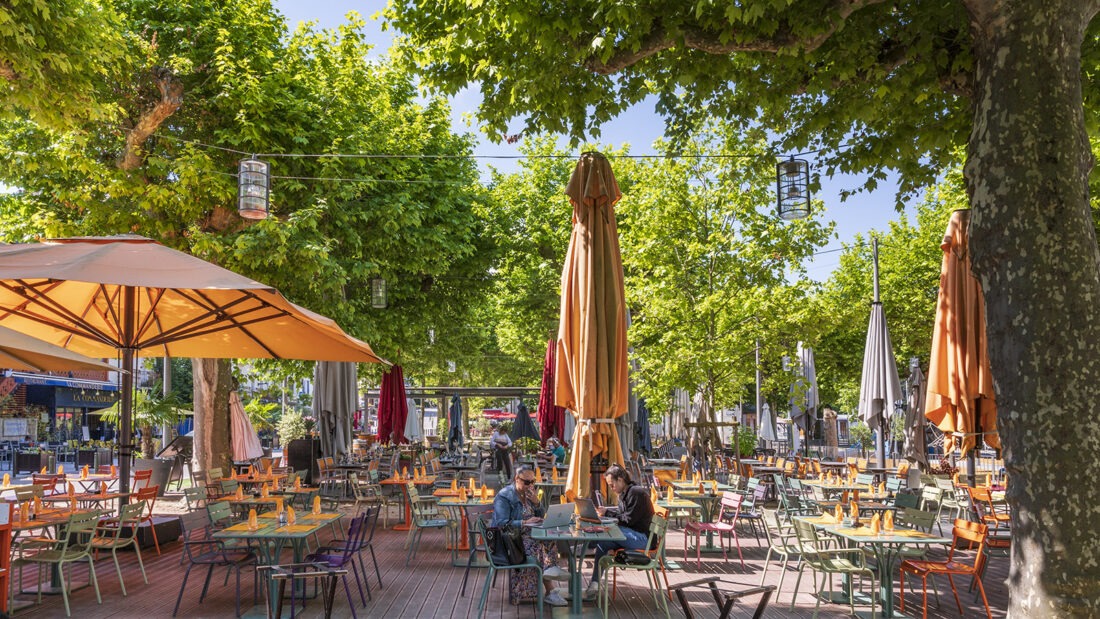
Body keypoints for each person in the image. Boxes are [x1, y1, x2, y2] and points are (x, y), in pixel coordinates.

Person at [491, 465, 569, 607]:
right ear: (516, 478)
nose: (531, 485)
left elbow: (541, 515)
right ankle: (550, 586)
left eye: (533, 482)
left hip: (528, 535)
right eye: (527, 482)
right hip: (510, 541)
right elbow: (501, 524)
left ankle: (550, 571)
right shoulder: (504, 496)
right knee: (538, 546)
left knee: (550, 538)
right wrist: (524, 522)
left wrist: (537, 503)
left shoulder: (529, 495)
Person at [584, 463, 655, 599]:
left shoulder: (636, 493)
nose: (612, 488)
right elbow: (623, 515)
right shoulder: (625, 494)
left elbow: (628, 520)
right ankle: (594, 583)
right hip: (631, 535)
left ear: (621, 480)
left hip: (643, 540)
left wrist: (608, 514)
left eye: (612, 485)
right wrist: (607, 512)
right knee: (602, 544)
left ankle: (586, 544)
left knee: (610, 530)